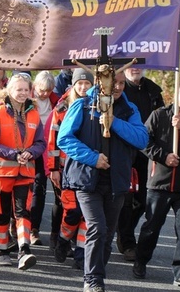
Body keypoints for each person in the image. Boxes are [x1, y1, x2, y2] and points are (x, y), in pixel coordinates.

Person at [57, 67, 148, 292]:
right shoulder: (82, 104)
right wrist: (93, 158)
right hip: (88, 179)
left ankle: (97, 273)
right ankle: (93, 279)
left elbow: (142, 139)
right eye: (112, 82)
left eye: (120, 83)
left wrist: (113, 120)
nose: (116, 87)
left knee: (107, 233)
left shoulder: (130, 108)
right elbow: (65, 139)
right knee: (96, 227)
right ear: (100, 82)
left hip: (117, 180)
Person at [133, 78, 180, 289]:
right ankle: (140, 260)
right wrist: (163, 156)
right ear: (177, 94)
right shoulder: (158, 116)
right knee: (151, 227)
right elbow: (143, 141)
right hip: (159, 185)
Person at [0, 73, 46, 270]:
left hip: (25, 171)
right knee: (1, 213)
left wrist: (30, 152)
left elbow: (41, 143)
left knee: (23, 212)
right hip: (1, 171)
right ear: (9, 90)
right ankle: (1, 250)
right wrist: (13, 154)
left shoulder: (34, 114)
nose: (22, 93)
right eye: (18, 89)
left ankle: (24, 250)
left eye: (26, 90)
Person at [116, 67, 165, 260]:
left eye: (138, 63)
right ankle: (127, 242)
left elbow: (161, 120)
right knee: (125, 200)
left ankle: (123, 232)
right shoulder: (119, 89)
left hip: (148, 152)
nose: (134, 68)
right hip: (125, 151)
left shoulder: (153, 90)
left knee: (144, 200)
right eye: (130, 63)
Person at [50, 68, 93, 268]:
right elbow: (53, 142)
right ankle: (63, 239)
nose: (83, 87)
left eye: (87, 84)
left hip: (89, 168)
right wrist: (53, 169)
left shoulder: (95, 107)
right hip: (66, 169)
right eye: (80, 83)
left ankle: (81, 254)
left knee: (87, 213)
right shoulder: (61, 109)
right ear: (74, 85)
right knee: (72, 211)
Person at [29, 70, 59, 245]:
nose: (44, 94)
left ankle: (43, 230)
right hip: (31, 148)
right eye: (42, 90)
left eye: (48, 90)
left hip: (50, 150)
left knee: (45, 189)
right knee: (33, 189)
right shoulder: (28, 100)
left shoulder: (56, 102)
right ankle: (30, 227)